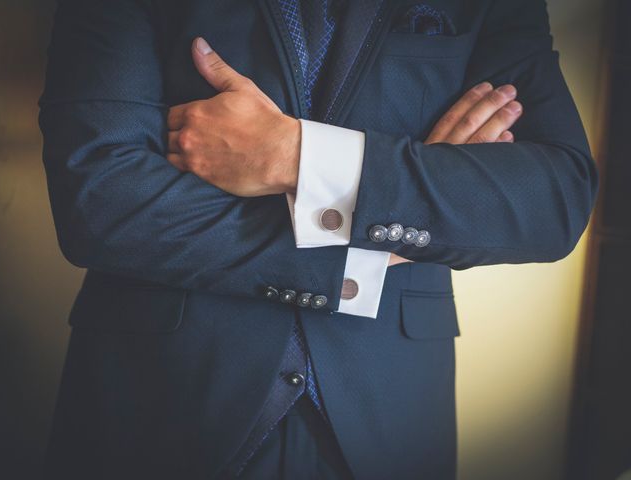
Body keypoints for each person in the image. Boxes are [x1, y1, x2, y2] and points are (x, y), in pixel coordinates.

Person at [39, 0, 598, 478]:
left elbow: (554, 201)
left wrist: (296, 155)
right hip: (158, 400)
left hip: (390, 416)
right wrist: (388, 237)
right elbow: (102, 201)